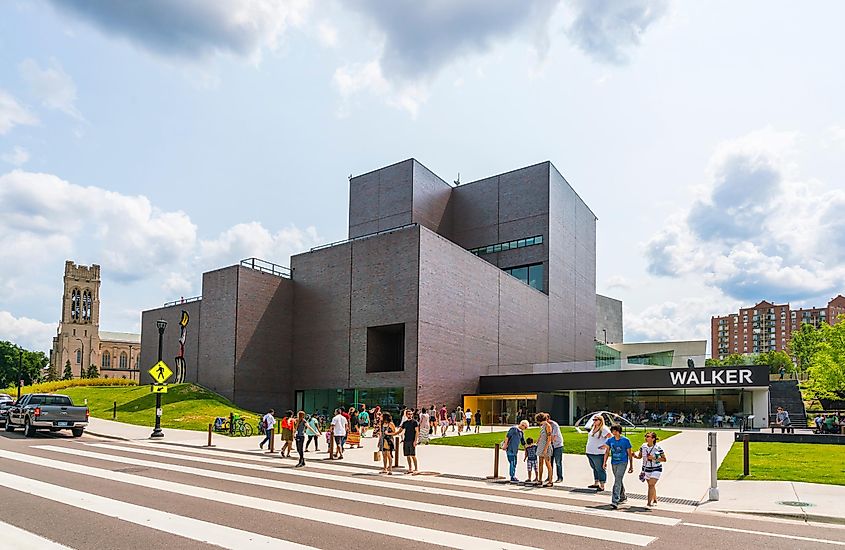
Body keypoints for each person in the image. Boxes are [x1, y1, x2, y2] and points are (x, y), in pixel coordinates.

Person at [603, 424, 634, 509]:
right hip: (614, 462)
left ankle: (615, 500)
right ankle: (623, 496)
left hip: (623, 462)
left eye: (615, 430)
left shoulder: (625, 440)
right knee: (618, 479)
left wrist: (631, 465)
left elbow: (629, 454)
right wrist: (604, 462)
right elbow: (607, 452)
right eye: (612, 430)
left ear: (619, 431)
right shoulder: (610, 440)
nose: (614, 432)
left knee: (617, 480)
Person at [633, 431, 667, 506]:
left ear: (653, 439)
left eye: (648, 436)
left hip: (656, 468)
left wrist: (654, 458)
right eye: (646, 436)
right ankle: (655, 499)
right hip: (646, 469)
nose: (646, 438)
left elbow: (664, 459)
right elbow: (640, 456)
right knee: (651, 485)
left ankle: (649, 503)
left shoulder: (657, 448)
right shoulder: (643, 446)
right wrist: (634, 456)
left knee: (651, 484)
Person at [585, 414, 612, 492]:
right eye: (593, 420)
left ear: (601, 421)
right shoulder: (593, 428)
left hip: (598, 453)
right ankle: (596, 482)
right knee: (594, 468)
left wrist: (606, 445)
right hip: (590, 451)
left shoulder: (604, 429)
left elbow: (611, 437)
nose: (594, 421)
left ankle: (602, 484)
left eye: (596, 420)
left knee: (600, 468)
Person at [397, 409, 420, 473]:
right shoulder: (405, 423)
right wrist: (392, 433)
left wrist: (415, 441)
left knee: (413, 455)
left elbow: (417, 432)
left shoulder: (415, 422)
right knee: (407, 455)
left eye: (411, 414)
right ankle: (410, 468)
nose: (410, 415)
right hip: (406, 440)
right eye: (408, 414)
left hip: (412, 440)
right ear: (406, 415)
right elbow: (400, 431)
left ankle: (416, 468)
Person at [535, 413, 554, 487]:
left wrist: (545, 449)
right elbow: (541, 435)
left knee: (548, 464)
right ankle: (540, 480)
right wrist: (537, 442)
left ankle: (550, 481)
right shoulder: (542, 426)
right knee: (540, 463)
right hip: (541, 446)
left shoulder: (548, 426)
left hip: (546, 446)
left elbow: (549, 439)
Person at [547, 414, 565, 483]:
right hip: (550, 445)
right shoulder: (545, 425)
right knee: (549, 462)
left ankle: (560, 477)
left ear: (548, 419)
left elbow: (553, 437)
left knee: (558, 462)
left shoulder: (554, 425)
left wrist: (547, 443)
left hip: (557, 445)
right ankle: (549, 477)